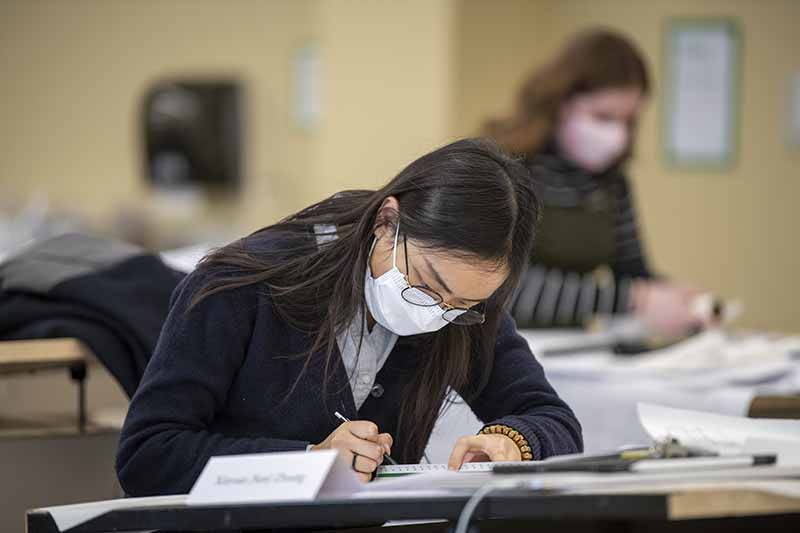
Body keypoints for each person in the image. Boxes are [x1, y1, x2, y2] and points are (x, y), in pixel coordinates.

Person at [115, 139, 582, 496]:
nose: (435, 312)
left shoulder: (466, 304)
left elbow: (554, 421)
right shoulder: (243, 286)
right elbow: (148, 455)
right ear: (386, 223)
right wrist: (307, 461)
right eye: (424, 284)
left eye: (459, 307)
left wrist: (514, 441)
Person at [485, 29, 714, 337]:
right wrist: (635, 299)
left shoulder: (612, 185)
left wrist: (679, 301)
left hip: (571, 352)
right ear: (560, 103)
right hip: (497, 348)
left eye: (628, 121)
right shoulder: (504, 171)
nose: (617, 134)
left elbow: (633, 271)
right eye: (603, 116)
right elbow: (502, 285)